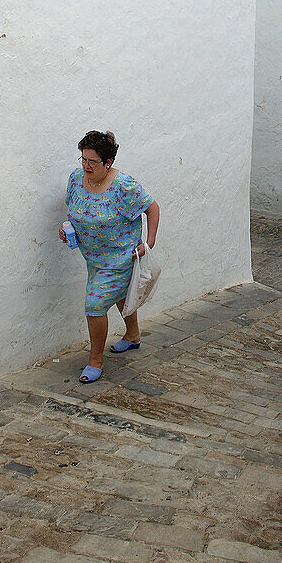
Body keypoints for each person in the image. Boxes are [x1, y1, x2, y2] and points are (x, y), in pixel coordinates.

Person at [60, 130, 159, 383]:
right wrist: (67, 229)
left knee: (94, 305)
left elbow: (152, 208)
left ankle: (95, 360)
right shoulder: (76, 179)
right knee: (121, 295)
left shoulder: (123, 186)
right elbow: (74, 211)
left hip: (120, 260)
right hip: (93, 257)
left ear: (108, 162)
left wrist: (148, 242)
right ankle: (133, 336)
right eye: (83, 159)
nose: (86, 166)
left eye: (92, 161)